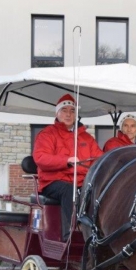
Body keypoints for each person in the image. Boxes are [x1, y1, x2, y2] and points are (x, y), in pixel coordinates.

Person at [33, 94, 103, 241]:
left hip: (82, 181)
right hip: (53, 182)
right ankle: (71, 235)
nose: (68, 114)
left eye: (72, 111)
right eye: (64, 110)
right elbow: (40, 158)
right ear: (57, 113)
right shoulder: (47, 134)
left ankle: (101, 233)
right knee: (69, 190)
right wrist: (66, 160)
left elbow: (99, 158)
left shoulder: (86, 138)